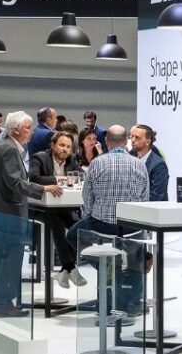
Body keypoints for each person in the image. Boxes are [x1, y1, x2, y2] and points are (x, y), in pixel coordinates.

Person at [0, 111, 62, 315]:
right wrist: (41, 189)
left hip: (0, 211)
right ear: (15, 130)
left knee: (2, 256)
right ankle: (3, 303)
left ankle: (0, 299)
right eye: (27, 128)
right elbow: (14, 182)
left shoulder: (1, 146)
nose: (31, 132)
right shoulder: (9, 149)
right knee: (10, 258)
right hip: (9, 213)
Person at [72, 125, 150, 314]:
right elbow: (144, 198)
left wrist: (92, 215)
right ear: (125, 142)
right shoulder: (139, 164)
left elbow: (87, 197)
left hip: (102, 226)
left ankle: (106, 270)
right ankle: (133, 303)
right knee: (135, 255)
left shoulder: (97, 163)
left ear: (106, 141)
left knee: (71, 235)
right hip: (131, 227)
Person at [29, 129, 87, 288]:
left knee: (79, 228)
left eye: (68, 147)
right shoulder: (39, 158)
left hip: (64, 207)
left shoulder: (72, 159)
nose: (65, 150)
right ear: (53, 145)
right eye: (62, 145)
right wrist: (59, 179)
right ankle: (70, 267)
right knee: (57, 223)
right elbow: (33, 178)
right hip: (41, 208)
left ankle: (65, 270)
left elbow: (82, 176)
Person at [129, 124, 169, 202]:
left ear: (148, 142)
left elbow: (157, 196)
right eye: (132, 136)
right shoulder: (131, 158)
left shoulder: (158, 165)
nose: (133, 140)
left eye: (137, 137)